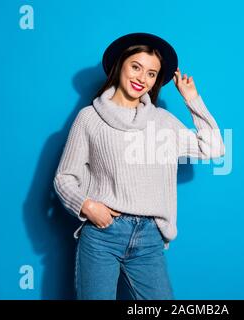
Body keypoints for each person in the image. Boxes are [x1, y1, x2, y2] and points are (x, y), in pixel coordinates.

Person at [53, 32, 225, 300]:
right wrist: (88, 207)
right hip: (102, 234)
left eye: (151, 73)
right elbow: (64, 177)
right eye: (136, 67)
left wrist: (192, 99)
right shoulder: (89, 119)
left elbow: (214, 148)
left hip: (149, 239)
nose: (141, 78)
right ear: (120, 65)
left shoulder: (163, 122)